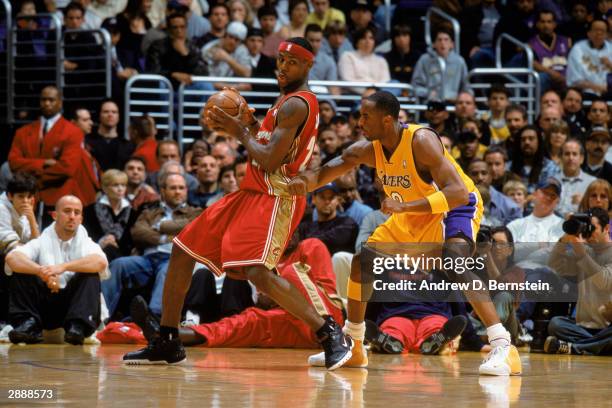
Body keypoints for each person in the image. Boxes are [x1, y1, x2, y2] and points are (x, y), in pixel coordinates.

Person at [122, 37, 353, 369]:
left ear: (308, 66)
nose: (283, 67)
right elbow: (268, 142)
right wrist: (250, 125)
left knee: (258, 273)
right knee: (183, 248)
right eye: (281, 60)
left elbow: (272, 160)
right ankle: (168, 339)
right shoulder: (285, 101)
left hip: (275, 195)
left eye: (292, 62)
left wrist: (238, 130)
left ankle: (329, 333)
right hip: (251, 192)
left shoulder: (297, 104)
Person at [289, 91, 522, 375]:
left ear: (387, 120)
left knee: (453, 260)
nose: (359, 121)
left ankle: (502, 345)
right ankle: (355, 344)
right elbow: (328, 170)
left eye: (366, 116)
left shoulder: (421, 141)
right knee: (363, 262)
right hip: (410, 212)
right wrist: (299, 183)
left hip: (452, 207)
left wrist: (405, 205)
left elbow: (458, 193)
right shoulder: (368, 149)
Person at [5, 195, 109, 345]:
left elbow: (100, 262)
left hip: (72, 309)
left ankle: (77, 327)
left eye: (77, 212)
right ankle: (28, 325)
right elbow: (12, 258)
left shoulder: (88, 243)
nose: (72, 217)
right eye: (67, 211)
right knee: (22, 271)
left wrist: (62, 267)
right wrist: (42, 271)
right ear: (55, 215)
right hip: (44, 309)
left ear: (81, 218)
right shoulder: (40, 241)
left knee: (91, 274)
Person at [547, 207, 612, 355]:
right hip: (582, 326)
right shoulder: (585, 250)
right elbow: (554, 265)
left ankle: (573, 347)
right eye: (585, 228)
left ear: (606, 228)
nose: (588, 233)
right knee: (556, 324)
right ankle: (597, 346)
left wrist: (581, 253)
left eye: (592, 228)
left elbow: (604, 281)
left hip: (608, 326)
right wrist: (564, 239)